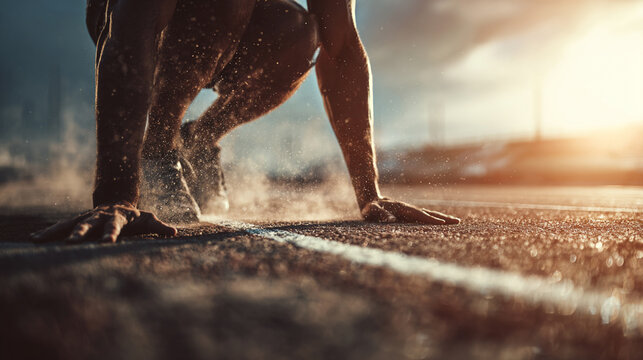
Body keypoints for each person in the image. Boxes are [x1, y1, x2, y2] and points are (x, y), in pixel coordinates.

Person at [32, 0, 459, 243]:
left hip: (234, 30)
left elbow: (340, 44)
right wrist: (117, 193)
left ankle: (197, 137)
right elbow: (132, 25)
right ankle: (159, 145)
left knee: (301, 32)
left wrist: (371, 195)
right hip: (128, 16)